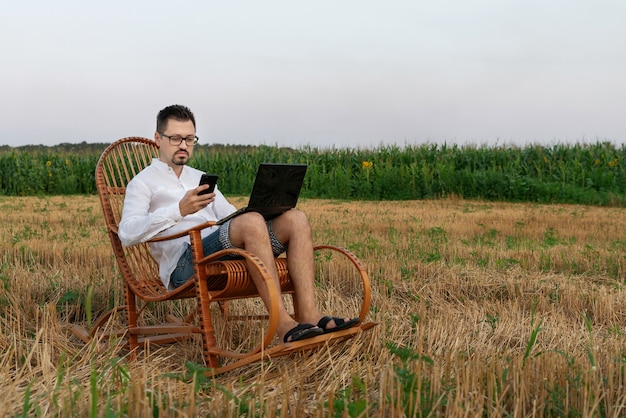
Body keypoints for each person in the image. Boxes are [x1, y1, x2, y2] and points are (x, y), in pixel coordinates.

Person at [118, 104, 359, 343]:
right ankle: (283, 324)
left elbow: (232, 216)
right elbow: (127, 234)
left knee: (296, 218)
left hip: (220, 252)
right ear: (158, 138)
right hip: (186, 265)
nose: (183, 145)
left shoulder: (198, 177)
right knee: (250, 222)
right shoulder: (142, 183)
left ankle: (310, 315)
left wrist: (265, 210)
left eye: (190, 139)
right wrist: (179, 210)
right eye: (175, 138)